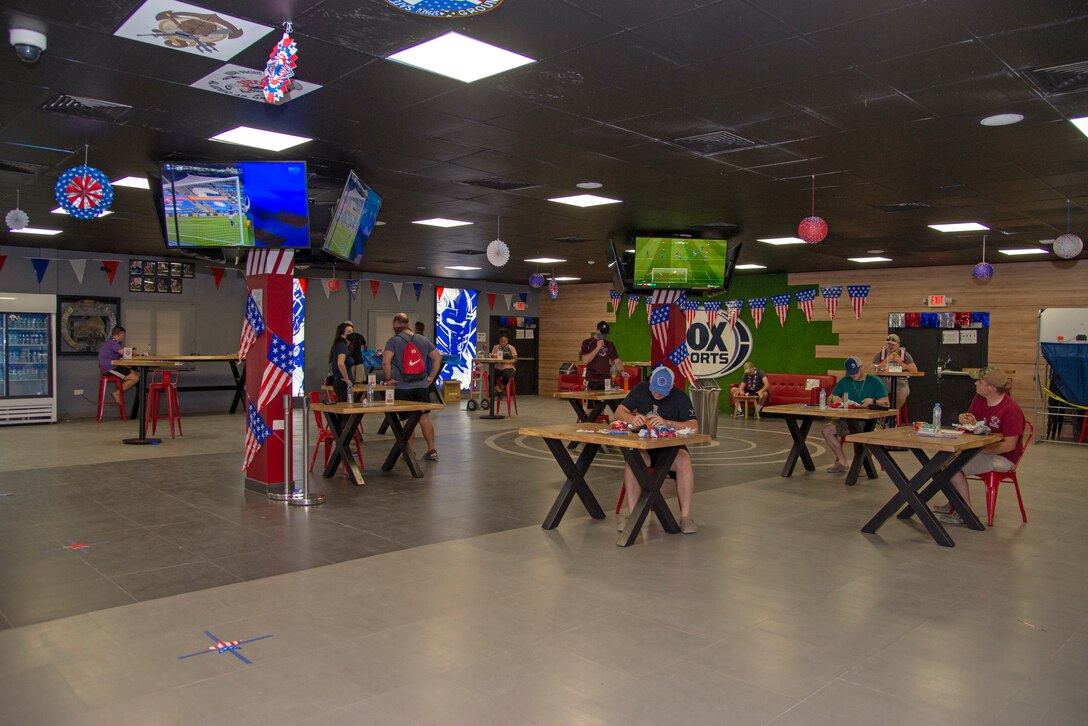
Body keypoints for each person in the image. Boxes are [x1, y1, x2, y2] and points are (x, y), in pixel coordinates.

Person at [934, 366, 1026, 525]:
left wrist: (978, 449)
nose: (976, 383)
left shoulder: (1011, 410)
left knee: (953, 467)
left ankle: (965, 512)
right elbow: (972, 422)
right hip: (980, 450)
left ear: (991, 388)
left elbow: (1009, 446)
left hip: (1003, 457)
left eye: (980, 381)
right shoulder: (979, 400)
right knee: (939, 463)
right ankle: (955, 502)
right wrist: (965, 418)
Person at [614, 367, 699, 534]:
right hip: (644, 445)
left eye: (663, 392)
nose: (658, 395)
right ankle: (633, 514)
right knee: (633, 460)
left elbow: (694, 426)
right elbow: (619, 411)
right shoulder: (640, 389)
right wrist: (633, 419)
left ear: (672, 385)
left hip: (670, 448)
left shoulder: (680, 397)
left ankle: (686, 516)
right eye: (655, 390)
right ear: (650, 380)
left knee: (684, 460)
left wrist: (668, 423)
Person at [382, 312, 443, 461]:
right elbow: (437, 358)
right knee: (424, 418)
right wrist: (431, 377)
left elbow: (385, 362)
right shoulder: (423, 339)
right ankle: (431, 449)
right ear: (408, 324)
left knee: (406, 421)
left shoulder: (393, 341)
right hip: (421, 386)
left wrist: (389, 378)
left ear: (396, 324)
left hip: (402, 387)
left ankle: (410, 451)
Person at [820, 356, 889, 474]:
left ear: (861, 368)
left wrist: (873, 401)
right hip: (847, 420)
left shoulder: (874, 381)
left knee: (870, 435)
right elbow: (830, 398)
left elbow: (886, 403)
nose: (853, 375)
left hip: (869, 421)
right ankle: (842, 462)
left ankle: (863, 464)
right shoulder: (844, 381)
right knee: (826, 430)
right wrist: (833, 399)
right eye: (850, 373)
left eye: (855, 372)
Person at [873, 333, 917, 411]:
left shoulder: (905, 355)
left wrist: (902, 363)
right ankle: (880, 415)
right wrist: (884, 362)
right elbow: (871, 369)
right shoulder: (880, 355)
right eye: (888, 344)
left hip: (900, 381)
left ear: (898, 345)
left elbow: (914, 370)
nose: (890, 346)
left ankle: (892, 414)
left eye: (893, 344)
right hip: (883, 380)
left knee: (902, 392)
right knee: (874, 389)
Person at [97, 325, 139, 404]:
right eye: (123, 335)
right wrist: (131, 351)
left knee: (136, 373)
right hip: (109, 368)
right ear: (119, 333)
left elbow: (122, 355)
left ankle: (139, 396)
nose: (123, 337)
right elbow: (123, 352)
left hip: (114, 366)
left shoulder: (112, 343)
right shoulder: (112, 342)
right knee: (135, 378)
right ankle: (117, 393)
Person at [580, 321, 623, 390]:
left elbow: (617, 360)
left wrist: (622, 371)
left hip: (607, 380)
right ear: (597, 330)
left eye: (605, 333)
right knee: (595, 400)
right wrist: (597, 348)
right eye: (601, 332)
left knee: (610, 400)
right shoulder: (587, 343)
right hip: (593, 380)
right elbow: (585, 360)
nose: (603, 335)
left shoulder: (609, 344)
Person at [328, 322, 355, 402]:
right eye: (349, 332)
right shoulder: (342, 346)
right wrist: (347, 380)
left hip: (341, 382)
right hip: (342, 383)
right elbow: (340, 363)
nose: (352, 333)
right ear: (342, 335)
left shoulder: (342, 346)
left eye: (352, 331)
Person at [490, 329, 517, 397]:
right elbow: (492, 356)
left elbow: (515, 359)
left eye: (504, 342)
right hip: (498, 368)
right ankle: (499, 391)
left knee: (506, 375)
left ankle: (500, 388)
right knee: (490, 376)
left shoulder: (511, 348)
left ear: (507, 341)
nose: (503, 343)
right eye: (501, 342)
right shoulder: (495, 347)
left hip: (508, 367)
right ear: (499, 341)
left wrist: (509, 358)